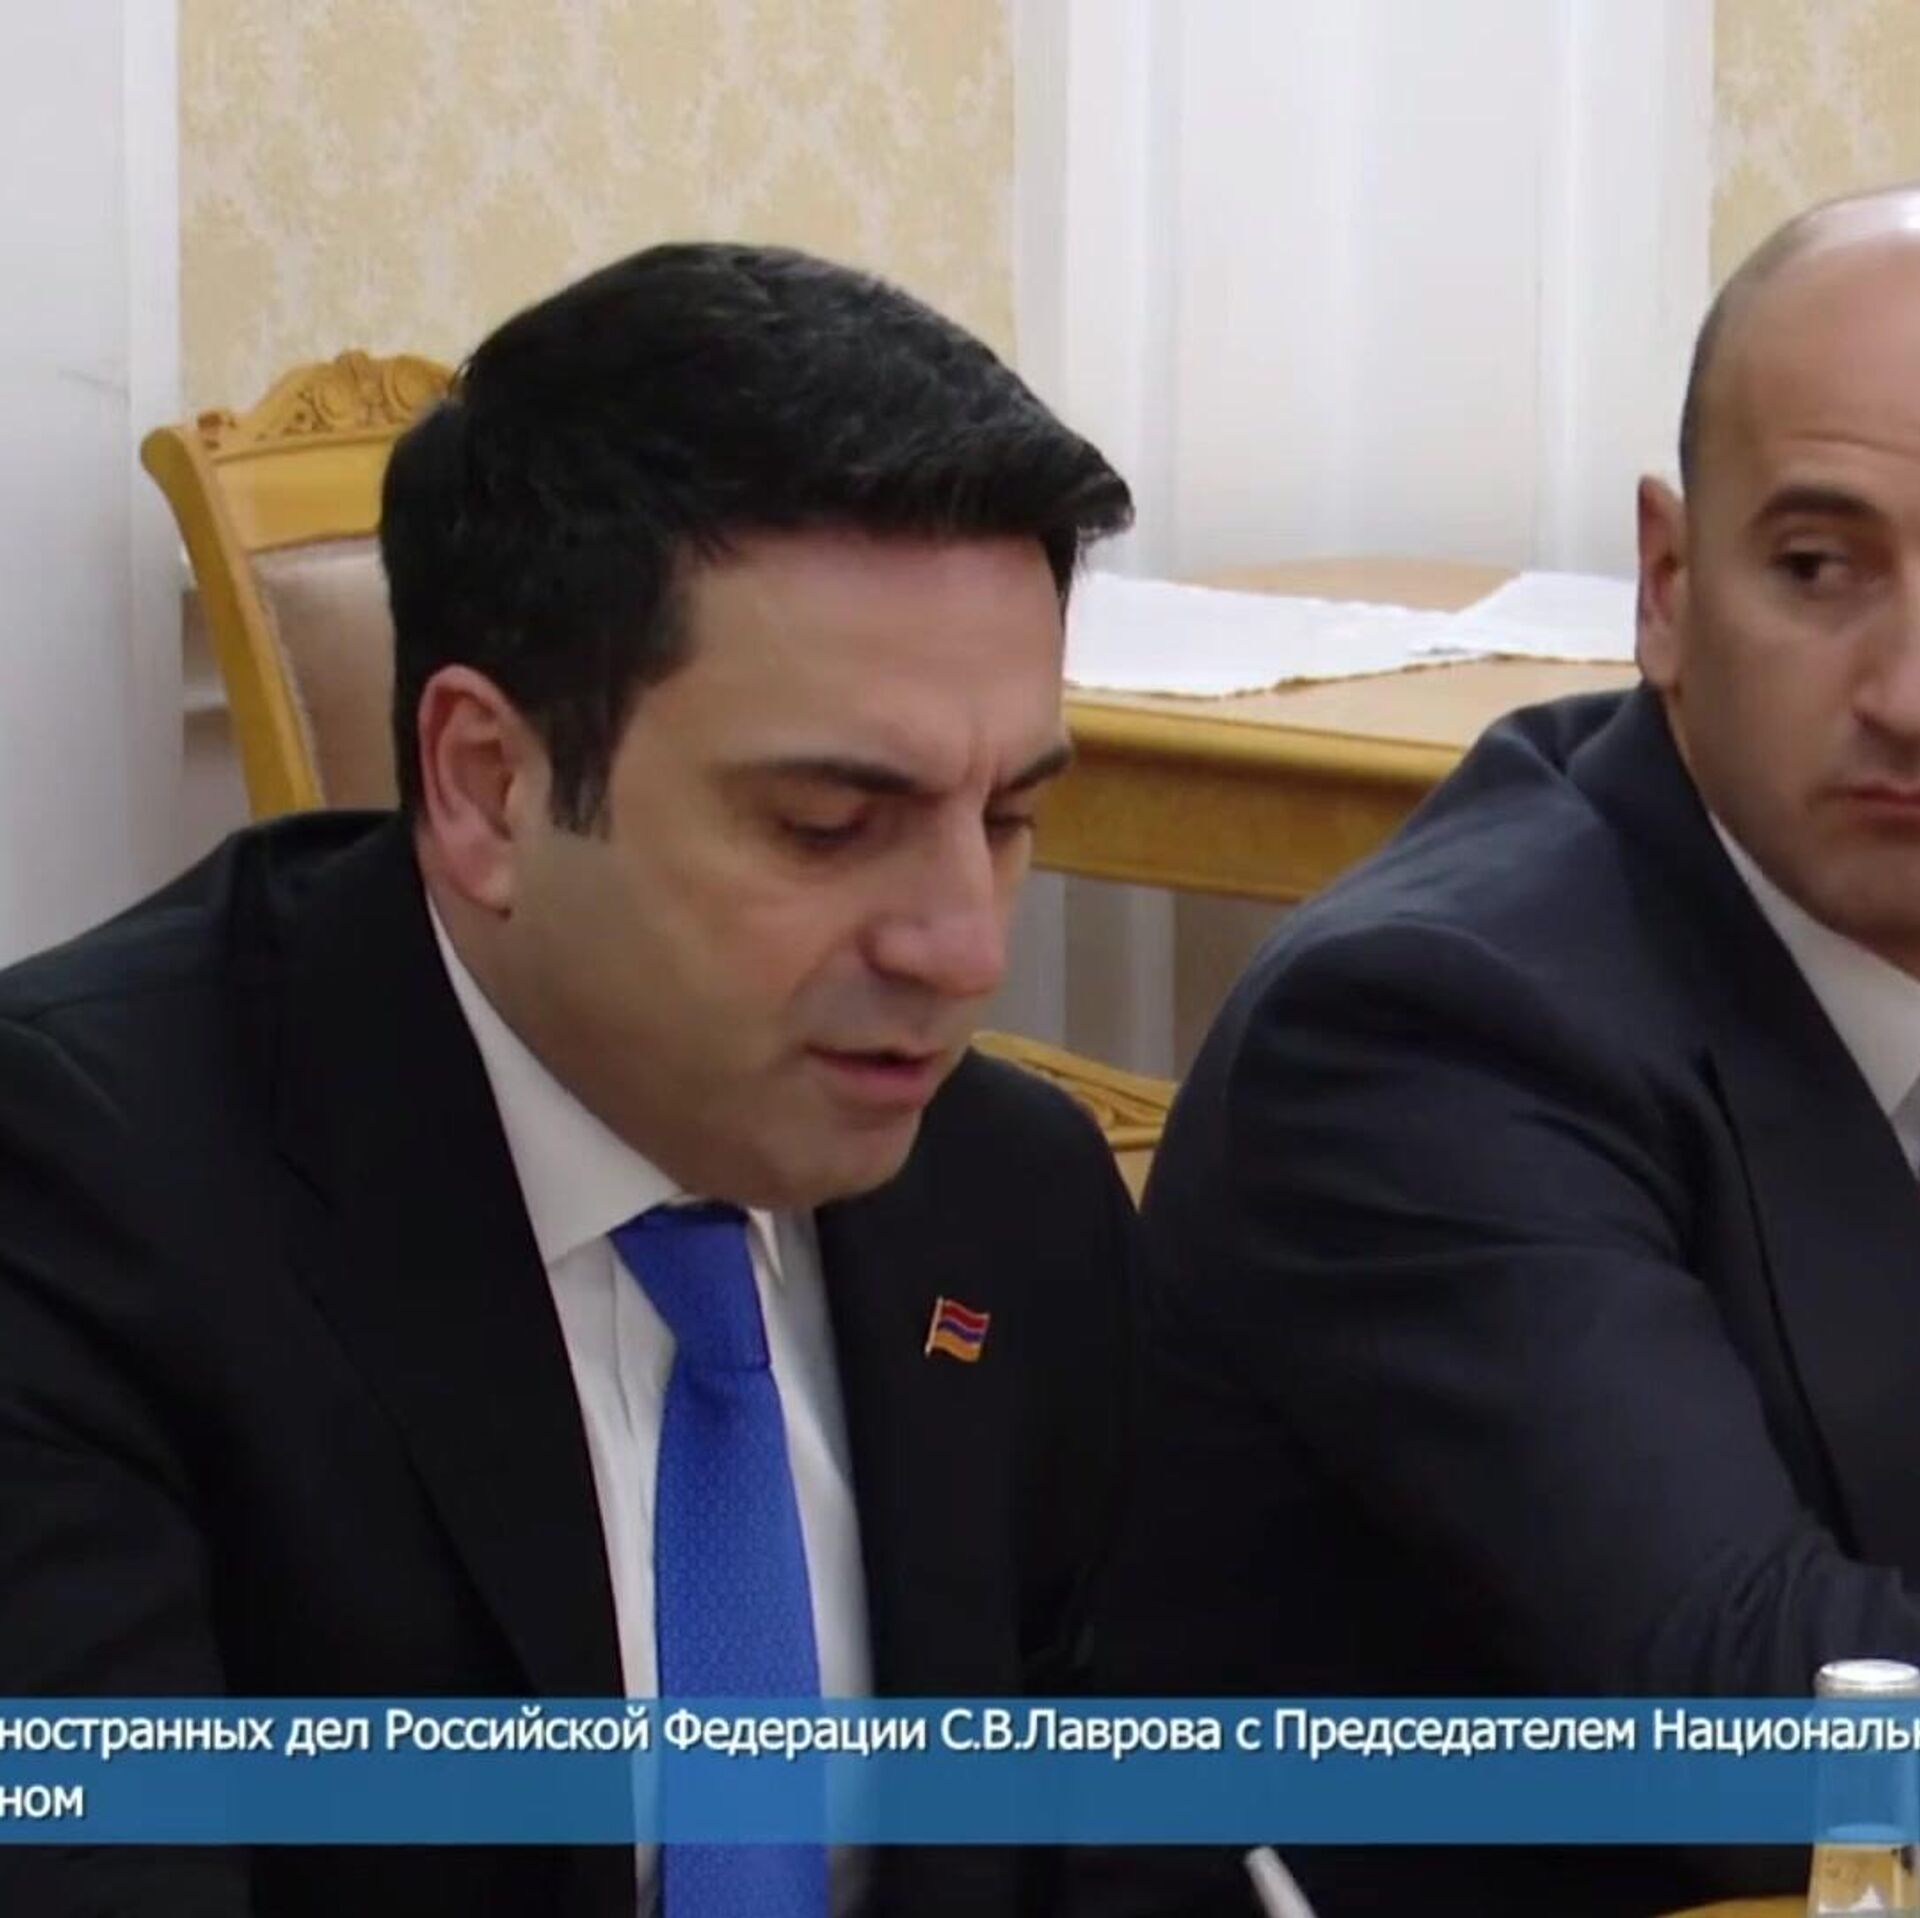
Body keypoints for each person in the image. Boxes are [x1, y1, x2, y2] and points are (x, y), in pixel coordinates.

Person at [0, 242, 1135, 1918]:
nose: (966, 947)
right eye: (829, 825)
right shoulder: (82, 1201)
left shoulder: (1007, 1196)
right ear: (488, 785)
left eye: (1011, 816)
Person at [1081, 185, 1920, 1918]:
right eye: (1819, 568)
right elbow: (1772, 1739)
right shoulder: (1434, 1025)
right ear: (1668, 586)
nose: (1907, 692)